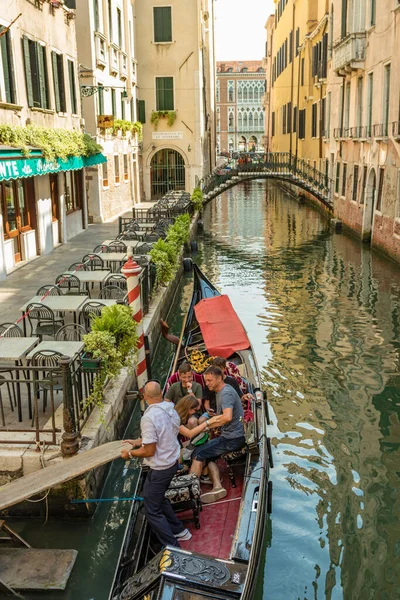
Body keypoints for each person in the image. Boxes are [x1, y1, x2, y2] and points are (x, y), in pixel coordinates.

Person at [121, 381, 191, 547]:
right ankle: (180, 530)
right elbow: (163, 434)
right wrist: (137, 442)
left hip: (161, 468)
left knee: (151, 509)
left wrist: (129, 454)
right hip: (172, 462)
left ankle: (173, 546)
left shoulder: (148, 418)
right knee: (157, 499)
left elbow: (149, 451)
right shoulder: (170, 409)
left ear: (145, 397)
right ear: (161, 393)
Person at [190, 366, 246, 504]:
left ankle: (191, 493)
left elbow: (227, 417)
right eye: (206, 381)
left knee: (198, 453)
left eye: (209, 380)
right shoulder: (220, 391)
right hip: (231, 435)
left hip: (232, 438)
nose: (207, 383)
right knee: (206, 451)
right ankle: (217, 486)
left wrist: (207, 424)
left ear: (219, 378)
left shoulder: (225, 393)